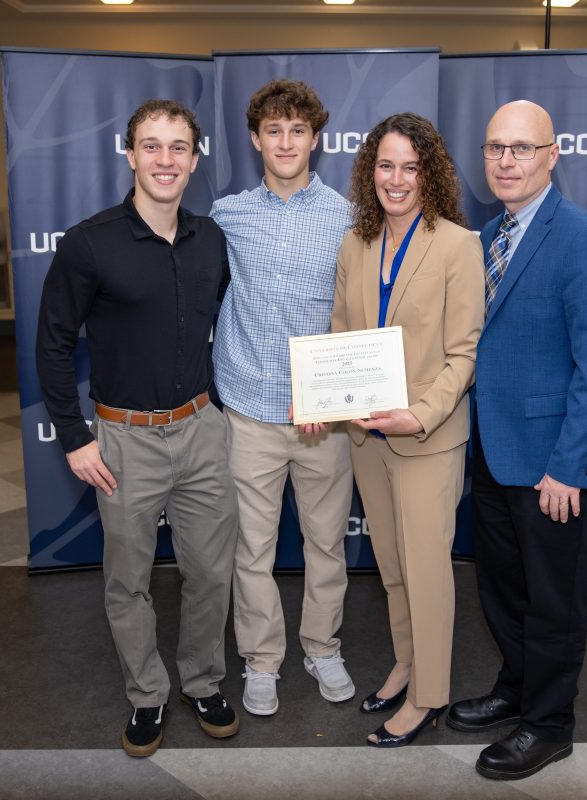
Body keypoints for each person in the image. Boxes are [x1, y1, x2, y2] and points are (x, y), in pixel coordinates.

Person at [35, 99, 240, 758]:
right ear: (129, 154)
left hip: (202, 428)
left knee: (210, 572)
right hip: (123, 439)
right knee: (129, 580)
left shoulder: (212, 239)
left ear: (195, 158)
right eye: (151, 146)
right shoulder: (88, 243)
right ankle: (147, 694)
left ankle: (203, 681)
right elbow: (52, 344)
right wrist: (74, 434)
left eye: (178, 147)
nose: (165, 160)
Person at [447, 100, 587, 781]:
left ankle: (550, 724)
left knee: (554, 599)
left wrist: (568, 467)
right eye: (496, 148)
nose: (506, 160)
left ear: (553, 155)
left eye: (522, 148)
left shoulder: (581, 237)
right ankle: (517, 688)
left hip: (551, 465)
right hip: (493, 453)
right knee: (504, 589)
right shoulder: (488, 234)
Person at [326, 112, 484, 747]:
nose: (396, 179)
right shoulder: (355, 243)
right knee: (391, 566)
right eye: (385, 165)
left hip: (426, 438)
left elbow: (463, 354)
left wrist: (418, 414)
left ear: (430, 174)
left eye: (409, 167)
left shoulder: (456, 245)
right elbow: (341, 332)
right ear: (371, 172)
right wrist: (327, 395)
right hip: (367, 438)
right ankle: (406, 663)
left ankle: (428, 696)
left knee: (426, 570)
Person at [210, 79, 356, 717]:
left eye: (298, 130)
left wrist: (340, 395)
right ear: (255, 139)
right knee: (252, 550)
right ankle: (261, 660)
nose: (286, 141)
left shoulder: (351, 216)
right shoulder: (226, 215)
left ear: (315, 139)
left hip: (325, 421)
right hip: (249, 412)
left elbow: (361, 315)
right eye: (274, 130)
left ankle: (322, 647)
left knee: (327, 544)